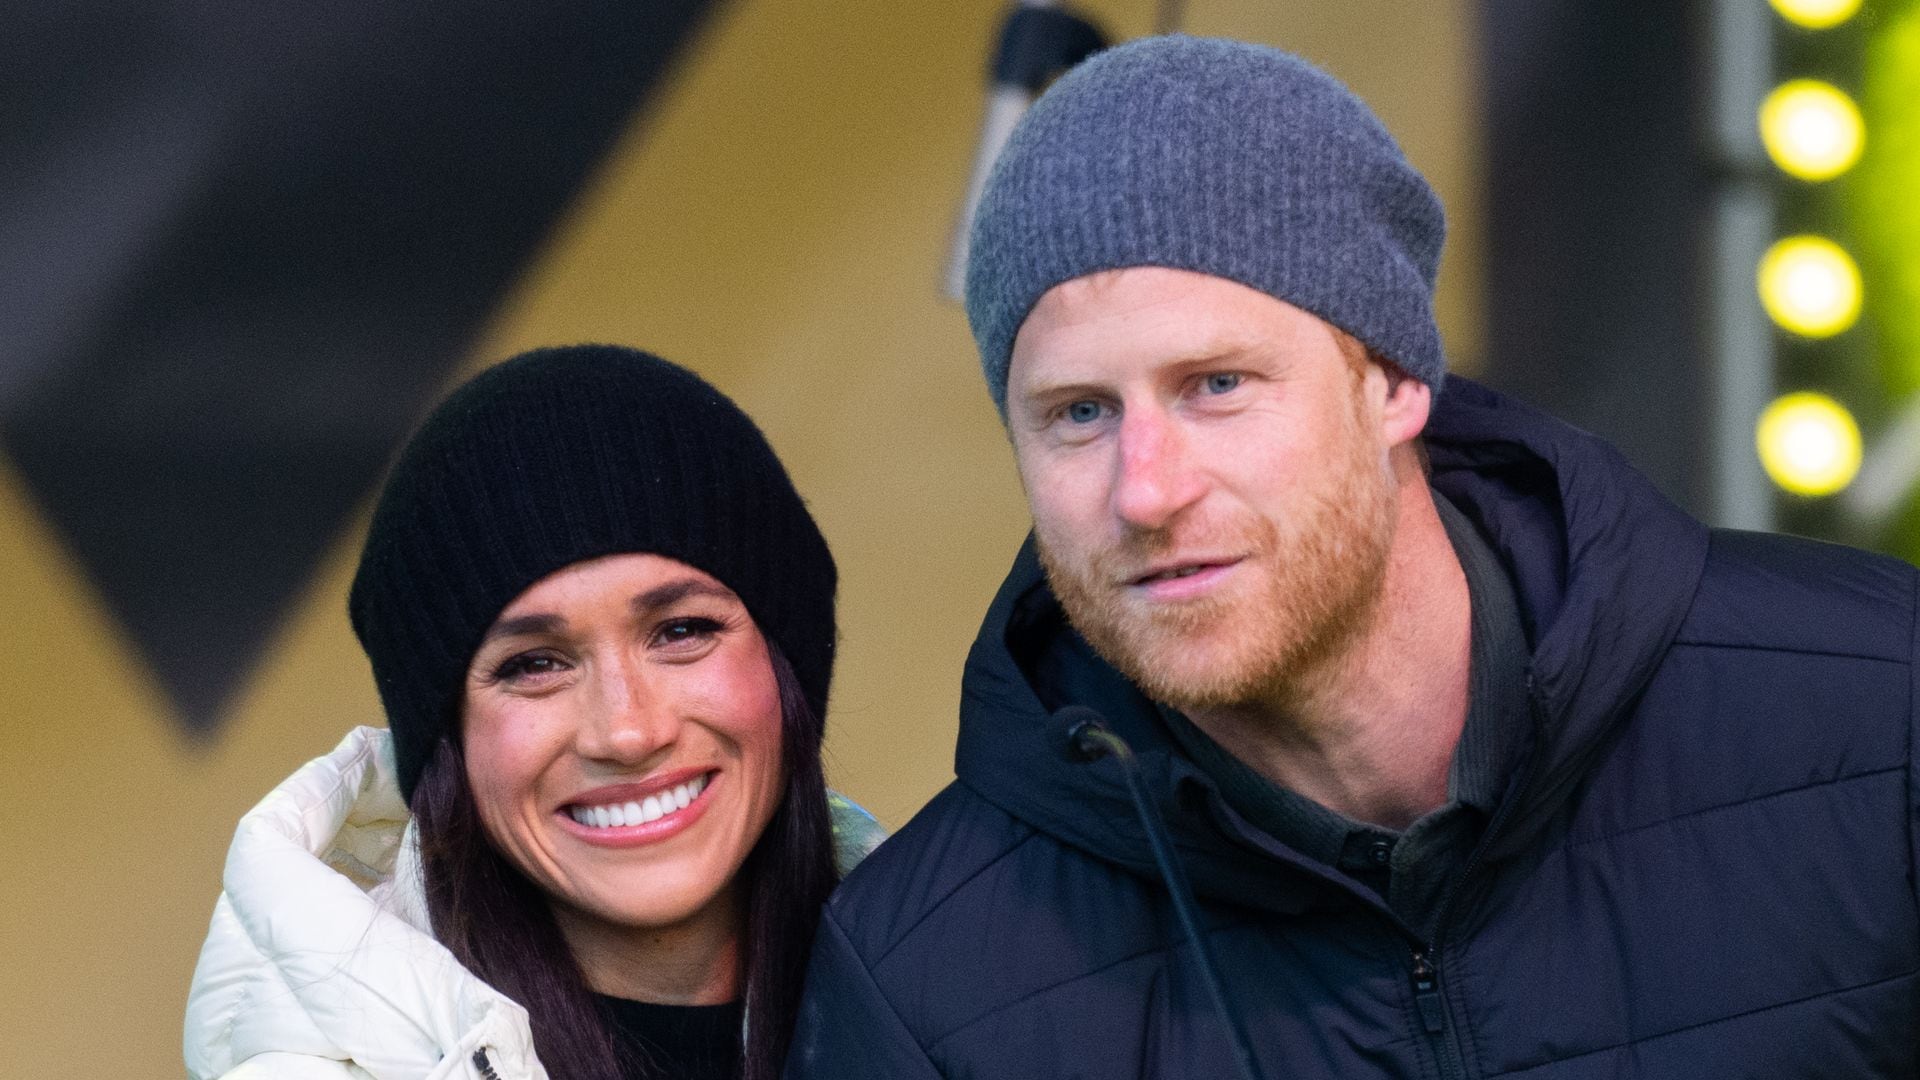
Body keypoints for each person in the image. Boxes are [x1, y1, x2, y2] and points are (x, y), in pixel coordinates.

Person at [786, 35, 1920, 1079]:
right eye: (1078, 413)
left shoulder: (1881, 712)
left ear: (1394, 383)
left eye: (1217, 385)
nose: (1146, 489)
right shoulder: (924, 982)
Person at [185, 344, 884, 1080]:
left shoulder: (975, 979)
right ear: (444, 742)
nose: (628, 730)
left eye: (681, 631)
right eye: (534, 665)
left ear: (788, 668)